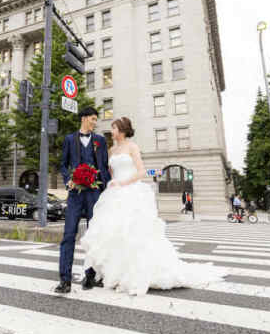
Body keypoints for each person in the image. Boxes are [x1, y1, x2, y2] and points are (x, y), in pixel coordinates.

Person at [79, 117, 227, 296]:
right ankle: (117, 271)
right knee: (114, 233)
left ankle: (138, 271)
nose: (112, 131)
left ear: (123, 130)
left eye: (115, 128)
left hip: (130, 190)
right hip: (114, 192)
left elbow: (141, 171)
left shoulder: (132, 147)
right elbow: (110, 172)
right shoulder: (111, 150)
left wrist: (123, 183)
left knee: (133, 233)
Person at [55, 107, 112, 294]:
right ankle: (65, 280)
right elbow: (63, 165)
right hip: (75, 195)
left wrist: (103, 187)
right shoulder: (69, 139)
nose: (95, 122)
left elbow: (103, 165)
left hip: (94, 194)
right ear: (84, 119)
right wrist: (68, 180)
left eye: (96, 119)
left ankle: (90, 275)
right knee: (69, 235)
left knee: (94, 236)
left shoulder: (100, 141)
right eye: (93, 119)